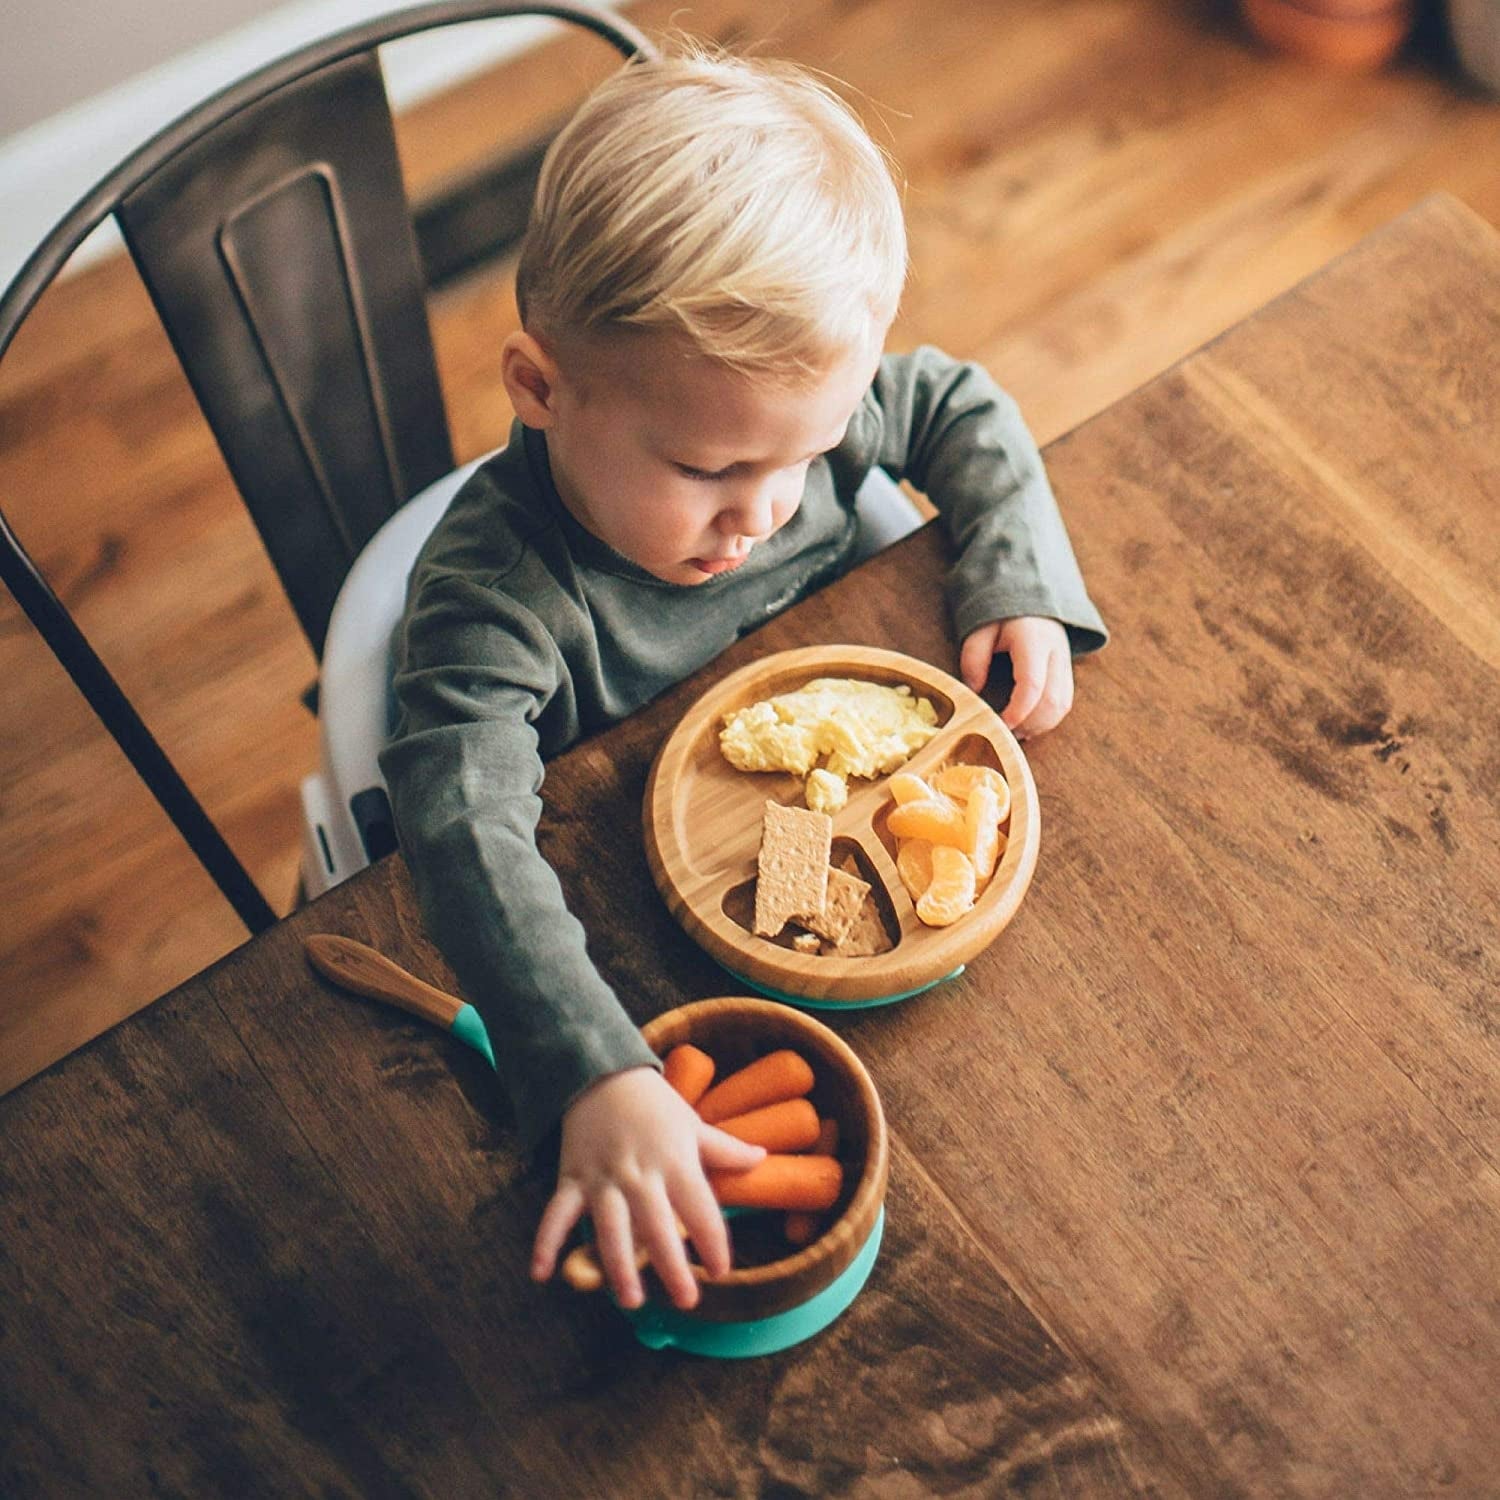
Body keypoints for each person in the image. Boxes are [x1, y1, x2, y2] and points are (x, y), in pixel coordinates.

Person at [379, 42, 1107, 1314]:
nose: (767, 511)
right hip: (642, 938)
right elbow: (460, 826)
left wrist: (1017, 579)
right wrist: (592, 1073)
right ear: (544, 390)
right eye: (710, 473)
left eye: (810, 453)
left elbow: (960, 406)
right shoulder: (493, 602)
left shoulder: (780, 432)